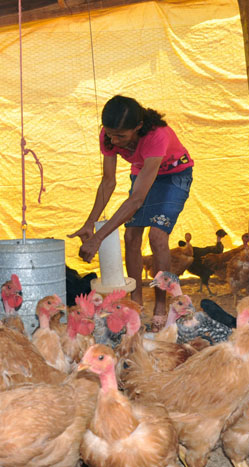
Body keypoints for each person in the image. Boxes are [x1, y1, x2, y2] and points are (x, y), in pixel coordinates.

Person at [68, 95, 193, 324]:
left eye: (121, 136)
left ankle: (160, 306)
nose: (114, 141)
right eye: (110, 134)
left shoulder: (157, 136)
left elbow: (136, 200)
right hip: (143, 172)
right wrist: (89, 223)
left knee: (157, 236)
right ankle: (135, 303)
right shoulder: (109, 136)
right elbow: (108, 182)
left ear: (138, 127)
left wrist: (98, 238)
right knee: (130, 235)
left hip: (174, 175)